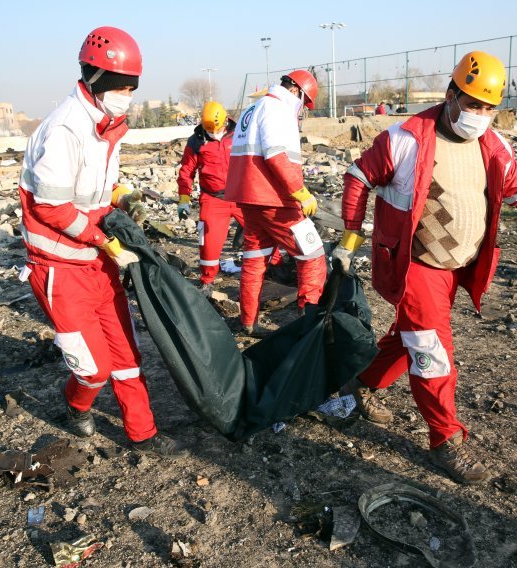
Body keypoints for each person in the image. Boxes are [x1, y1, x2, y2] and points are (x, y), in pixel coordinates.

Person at [332, 51, 517, 485]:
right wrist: (350, 239)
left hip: (457, 267)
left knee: (410, 337)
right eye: (473, 104)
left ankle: (359, 381)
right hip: (416, 265)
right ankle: (445, 439)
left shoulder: (493, 146)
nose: (480, 115)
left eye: (489, 108)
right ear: (451, 95)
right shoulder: (406, 139)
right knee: (433, 351)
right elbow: (358, 177)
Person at [18, 26, 186, 457]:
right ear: (91, 78)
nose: (125, 94)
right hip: (60, 268)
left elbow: (98, 188)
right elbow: (50, 208)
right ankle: (75, 404)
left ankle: (143, 434)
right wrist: (102, 240)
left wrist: (124, 197)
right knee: (94, 369)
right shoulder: (65, 130)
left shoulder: (106, 127)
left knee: (127, 356)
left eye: (131, 86)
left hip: (96, 263)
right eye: (118, 85)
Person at [225, 70, 325, 335]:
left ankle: (248, 322)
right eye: (304, 102)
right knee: (312, 255)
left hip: (249, 199)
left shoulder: (252, 109)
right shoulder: (277, 108)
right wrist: (300, 192)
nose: (302, 109)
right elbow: (275, 155)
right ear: (296, 91)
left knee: (255, 260)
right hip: (275, 200)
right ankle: (310, 326)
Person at [176, 101, 241, 296]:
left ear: (225, 120)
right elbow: (186, 172)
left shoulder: (239, 134)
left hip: (242, 196)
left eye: (219, 128)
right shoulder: (196, 141)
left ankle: (273, 266)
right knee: (209, 243)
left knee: (264, 232)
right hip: (213, 199)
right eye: (210, 130)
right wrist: (184, 199)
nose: (215, 132)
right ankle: (207, 280)